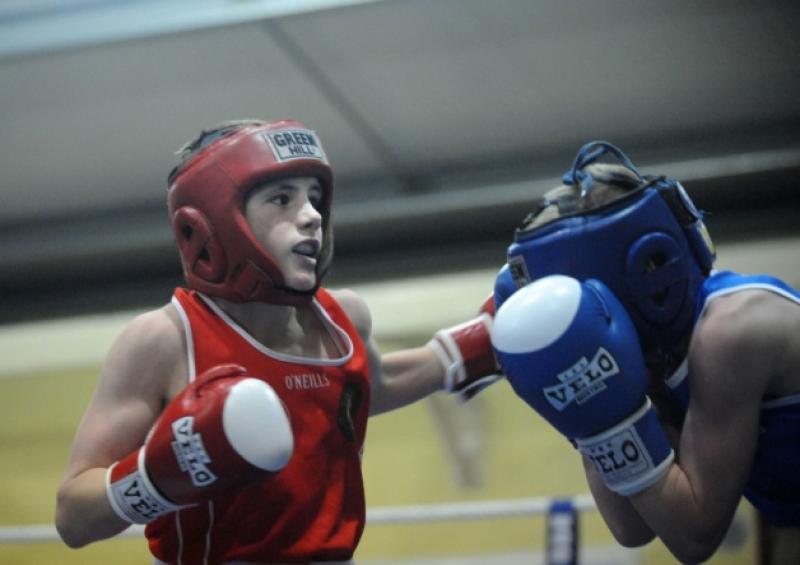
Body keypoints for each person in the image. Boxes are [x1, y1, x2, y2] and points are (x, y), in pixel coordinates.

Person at [54, 119, 499, 564]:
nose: (310, 216)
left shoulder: (343, 321)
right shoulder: (166, 339)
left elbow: (370, 386)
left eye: (315, 198)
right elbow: (72, 517)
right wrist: (157, 479)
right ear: (212, 220)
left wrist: (486, 341)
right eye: (282, 198)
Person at [490, 141, 800, 565]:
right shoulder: (658, 362)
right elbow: (633, 529)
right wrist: (593, 414)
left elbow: (694, 537)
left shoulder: (730, 331)